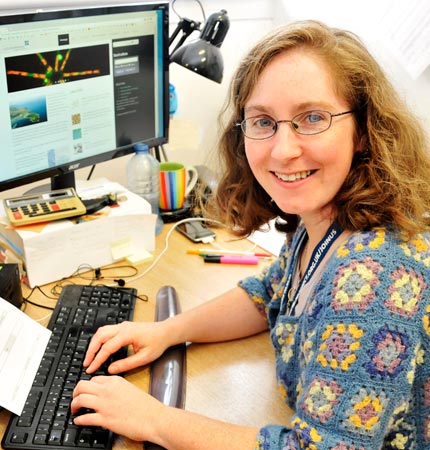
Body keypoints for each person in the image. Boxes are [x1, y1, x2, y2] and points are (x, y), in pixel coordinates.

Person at [71, 20, 430, 449]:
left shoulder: (375, 276)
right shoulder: (324, 220)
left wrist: (155, 420)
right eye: (262, 121)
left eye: (312, 118)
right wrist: (166, 331)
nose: (282, 149)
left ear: (364, 132)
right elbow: (268, 293)